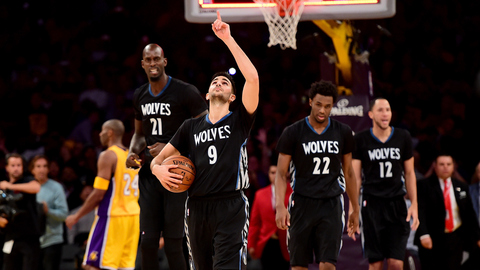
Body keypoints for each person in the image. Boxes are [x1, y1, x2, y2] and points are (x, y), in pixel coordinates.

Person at [150, 11, 259, 270]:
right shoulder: (190, 127)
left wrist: (228, 39)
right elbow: (158, 159)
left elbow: (252, 78)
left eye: (226, 82)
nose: (220, 82)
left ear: (233, 97)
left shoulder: (240, 121)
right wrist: (157, 170)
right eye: (215, 81)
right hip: (196, 207)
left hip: (231, 204)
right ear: (207, 94)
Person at [126, 27, 208, 270]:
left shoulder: (185, 92)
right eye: (148, 60)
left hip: (177, 173)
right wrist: (132, 152)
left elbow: (206, 130)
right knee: (148, 241)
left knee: (174, 243)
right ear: (142, 64)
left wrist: (172, 149)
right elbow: (140, 135)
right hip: (151, 175)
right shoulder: (140, 95)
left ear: (165, 61)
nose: (153, 63)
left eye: (156, 59)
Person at [275, 80, 360, 270]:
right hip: (301, 203)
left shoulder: (343, 132)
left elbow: (349, 172)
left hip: (331, 204)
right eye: (319, 105)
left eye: (328, 106)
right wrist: (280, 206)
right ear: (311, 102)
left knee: (328, 265)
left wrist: (355, 207)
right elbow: (281, 174)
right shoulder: (293, 132)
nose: (323, 110)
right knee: (298, 266)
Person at [351, 98, 419, 270]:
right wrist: (353, 208)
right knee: (376, 264)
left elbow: (410, 173)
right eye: (380, 110)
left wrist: (414, 204)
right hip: (372, 204)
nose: (385, 114)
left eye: (388, 110)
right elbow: (355, 177)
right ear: (371, 114)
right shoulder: (360, 139)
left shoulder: (403, 136)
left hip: (397, 203)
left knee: (396, 263)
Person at [65, 119, 140, 270]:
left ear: (110, 133)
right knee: (123, 267)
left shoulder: (108, 155)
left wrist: (77, 215)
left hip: (112, 217)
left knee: (91, 265)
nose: (100, 134)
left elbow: (99, 193)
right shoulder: (135, 158)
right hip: (133, 218)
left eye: (102, 131)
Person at [415, 154, 480, 270]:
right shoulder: (423, 185)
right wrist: (423, 234)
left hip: (455, 238)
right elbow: (420, 211)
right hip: (431, 237)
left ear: (453, 166)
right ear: (434, 166)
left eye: (448, 164)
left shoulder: (462, 186)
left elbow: (470, 214)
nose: (445, 167)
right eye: (441, 164)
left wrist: (477, 236)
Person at [0, 153, 42, 270]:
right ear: (7, 167)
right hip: (10, 237)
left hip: (29, 238)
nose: (16, 168)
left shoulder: (27, 180)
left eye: (19, 165)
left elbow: (36, 187)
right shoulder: (2, 188)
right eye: (13, 165)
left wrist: (10, 186)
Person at [248, 164, 291, 270]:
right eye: (272, 173)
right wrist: (251, 244)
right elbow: (254, 222)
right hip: (266, 242)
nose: (275, 176)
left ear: (286, 174)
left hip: (287, 242)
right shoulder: (260, 194)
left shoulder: (293, 193)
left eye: (278, 172)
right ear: (268, 174)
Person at [30, 155, 69, 270]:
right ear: (32, 169)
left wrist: (48, 211)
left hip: (52, 241)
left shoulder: (56, 187)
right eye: (38, 166)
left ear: (48, 169)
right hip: (32, 241)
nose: (41, 169)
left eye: (44, 166)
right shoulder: (27, 187)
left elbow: (64, 214)